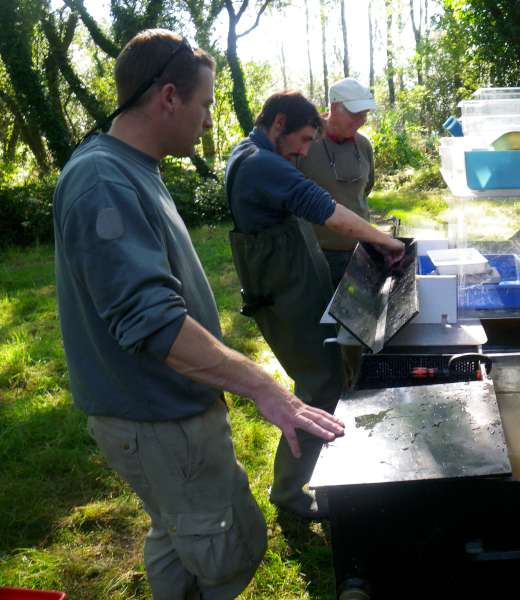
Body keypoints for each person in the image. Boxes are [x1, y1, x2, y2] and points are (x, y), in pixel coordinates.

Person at [53, 30, 344, 600]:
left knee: (176, 535)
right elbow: (154, 324)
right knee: (229, 550)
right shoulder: (103, 180)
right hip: (158, 416)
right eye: (206, 103)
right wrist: (269, 390)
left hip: (163, 408)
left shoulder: (133, 168)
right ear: (168, 97)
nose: (211, 120)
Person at [225, 91, 404, 520]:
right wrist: (386, 240)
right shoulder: (260, 163)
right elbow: (330, 212)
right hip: (284, 294)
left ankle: (321, 473)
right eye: (303, 140)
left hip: (295, 283)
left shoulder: (250, 151)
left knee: (330, 376)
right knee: (320, 386)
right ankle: (289, 493)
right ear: (279, 123)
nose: (305, 151)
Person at [298, 78, 377, 287]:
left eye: (364, 114)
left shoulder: (364, 146)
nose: (361, 120)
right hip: (318, 255)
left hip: (361, 250)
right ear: (334, 107)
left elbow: (364, 190)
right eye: (354, 114)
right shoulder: (304, 143)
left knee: (361, 315)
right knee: (321, 317)